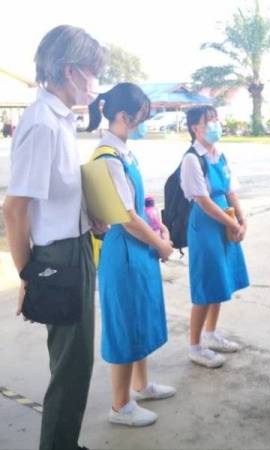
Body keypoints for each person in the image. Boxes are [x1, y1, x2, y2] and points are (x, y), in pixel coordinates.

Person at [2, 25, 106, 450]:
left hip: (76, 245)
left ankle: (65, 441)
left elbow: (57, 192)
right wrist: (28, 272)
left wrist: (91, 213)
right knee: (72, 366)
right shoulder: (42, 123)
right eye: (93, 71)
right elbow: (15, 207)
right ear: (69, 70)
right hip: (57, 255)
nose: (96, 82)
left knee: (72, 359)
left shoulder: (62, 120)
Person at [87, 83, 176, 427]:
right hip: (124, 252)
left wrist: (159, 229)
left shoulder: (122, 152)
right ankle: (120, 405)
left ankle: (141, 385)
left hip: (136, 249)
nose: (143, 124)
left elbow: (140, 206)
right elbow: (126, 217)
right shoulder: (109, 158)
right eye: (141, 118)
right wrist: (160, 243)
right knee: (125, 323)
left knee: (139, 316)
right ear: (124, 116)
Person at [181, 105, 249, 368]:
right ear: (194, 127)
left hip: (225, 220)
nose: (214, 124)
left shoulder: (218, 155)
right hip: (206, 225)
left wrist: (242, 220)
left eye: (215, 119)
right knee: (206, 284)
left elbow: (230, 191)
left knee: (221, 281)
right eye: (208, 121)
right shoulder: (191, 159)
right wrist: (231, 222)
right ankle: (195, 346)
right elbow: (204, 201)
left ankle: (211, 334)